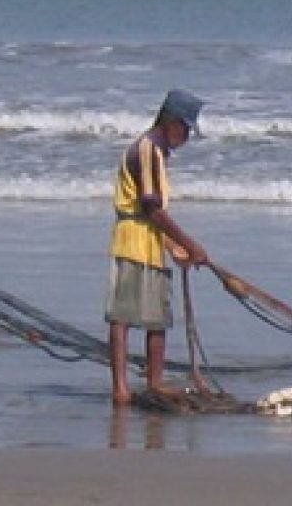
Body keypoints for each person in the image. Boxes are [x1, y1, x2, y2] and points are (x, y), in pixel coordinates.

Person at [106, 90, 210, 406]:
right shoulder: (148, 149)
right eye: (186, 128)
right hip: (132, 241)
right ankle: (121, 389)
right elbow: (152, 207)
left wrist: (172, 247)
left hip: (149, 241)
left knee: (157, 318)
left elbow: (153, 213)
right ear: (170, 122)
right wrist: (189, 243)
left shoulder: (158, 153)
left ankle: (154, 382)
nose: (188, 136)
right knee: (122, 318)